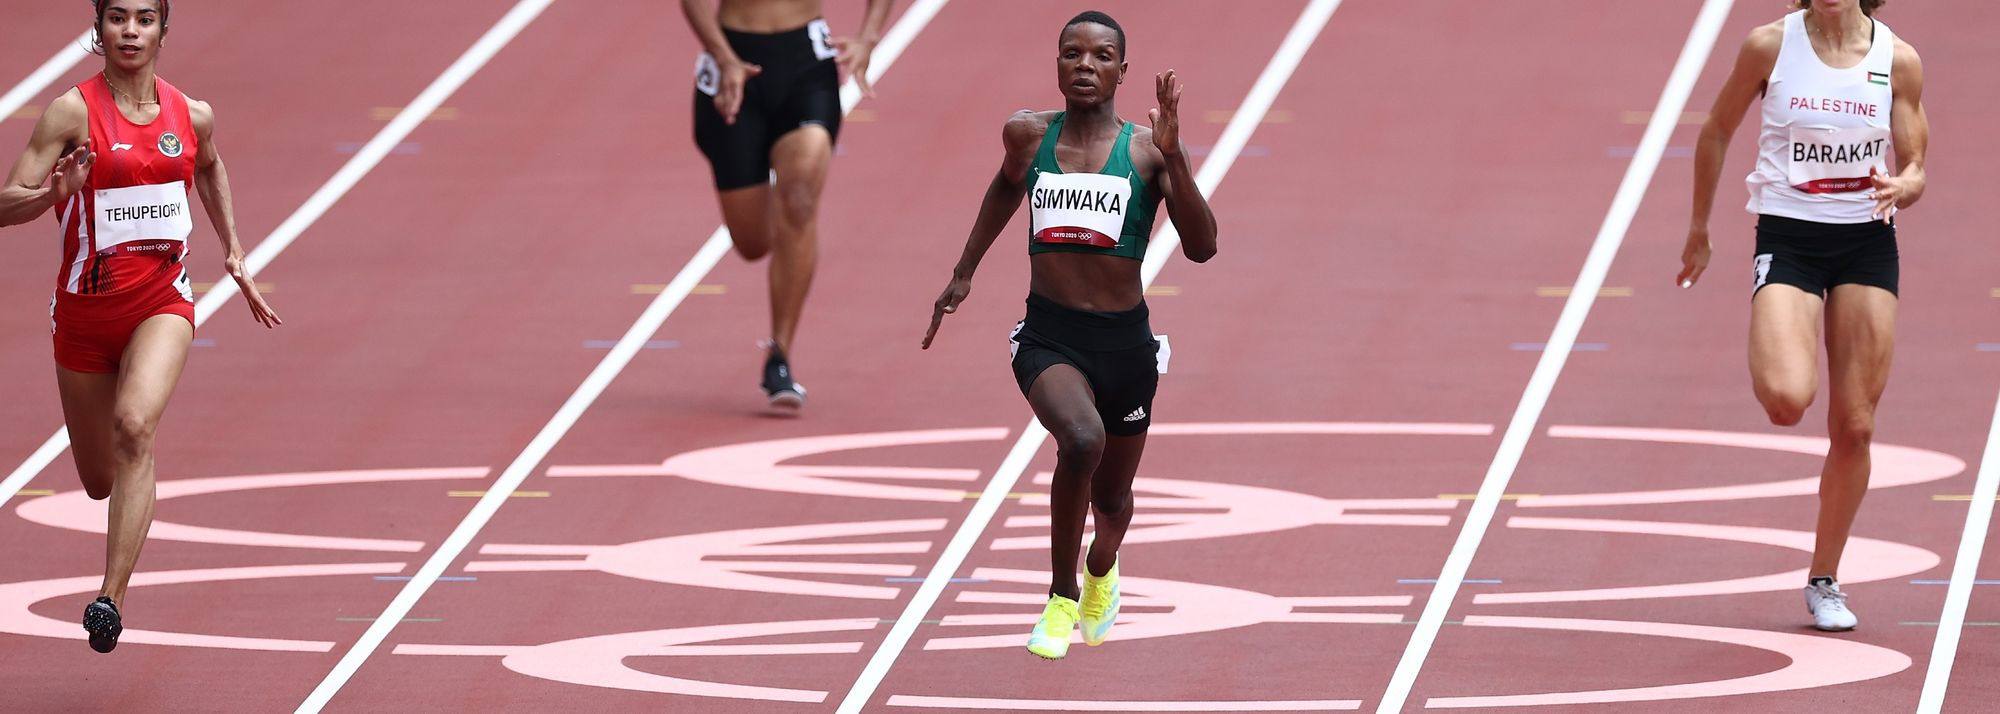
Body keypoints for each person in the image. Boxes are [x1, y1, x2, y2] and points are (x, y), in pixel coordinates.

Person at [922, 10, 1217, 659]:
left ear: (1121, 71)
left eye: (1101, 55)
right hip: (1049, 338)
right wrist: (963, 273)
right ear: (1057, 64)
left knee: (1112, 498)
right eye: (1073, 53)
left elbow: (1203, 247)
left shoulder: (1146, 149)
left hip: (1126, 349)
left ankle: (1101, 569)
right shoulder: (1028, 135)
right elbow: (1004, 190)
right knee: (1080, 441)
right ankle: (1058, 598)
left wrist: (1175, 157)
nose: (1085, 64)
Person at [0, 0, 280, 653]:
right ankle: (124, 510)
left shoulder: (192, 114)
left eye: (144, 19)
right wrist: (51, 196)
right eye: (117, 18)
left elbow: (208, 164)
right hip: (82, 316)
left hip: (162, 300)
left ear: (162, 28)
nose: (130, 31)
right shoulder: (72, 113)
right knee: (101, 478)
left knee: (135, 428)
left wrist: (234, 249)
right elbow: (6, 200)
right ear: (98, 28)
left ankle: (109, 600)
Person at [1678, 0, 1925, 631]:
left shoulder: (1896, 59)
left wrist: (1909, 183)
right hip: (1789, 238)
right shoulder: (1769, 46)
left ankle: (1824, 579)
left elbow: (1915, 161)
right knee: (1787, 400)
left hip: (1867, 242)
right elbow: (1716, 129)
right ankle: (1776, 322)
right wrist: (1700, 229)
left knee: (1857, 426)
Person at [682, 0, 892, 409]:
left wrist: (869, 36)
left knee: (798, 199)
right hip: (733, 60)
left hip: (804, 62)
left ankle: (779, 353)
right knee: (753, 243)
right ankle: (787, 236)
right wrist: (724, 58)